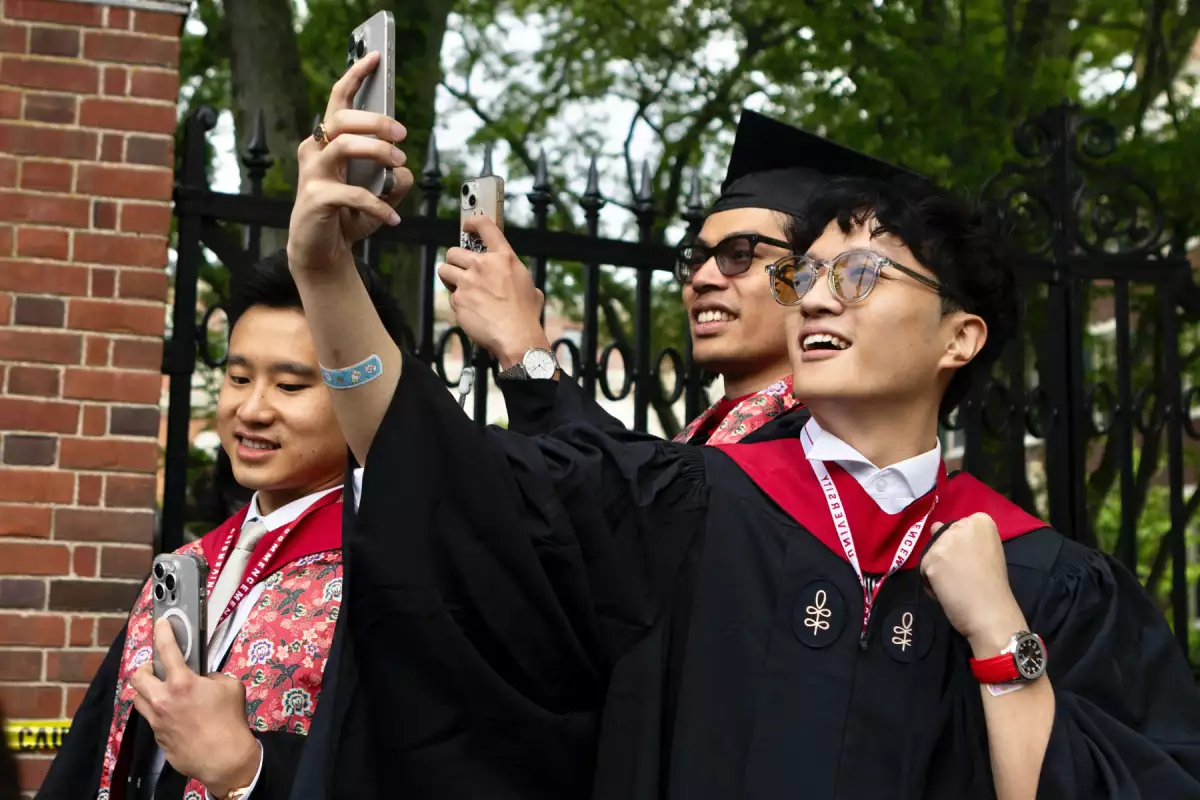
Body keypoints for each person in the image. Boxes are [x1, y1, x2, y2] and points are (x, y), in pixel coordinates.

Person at [289, 53, 1200, 799]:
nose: (814, 300)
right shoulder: (687, 509)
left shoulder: (1050, 581)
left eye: (858, 276)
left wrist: (1000, 632)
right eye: (804, 276)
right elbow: (438, 476)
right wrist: (326, 274)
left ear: (959, 338)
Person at [37, 251, 411, 800]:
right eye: (238, 378)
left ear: (362, 398)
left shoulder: (385, 578)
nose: (251, 409)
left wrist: (248, 771)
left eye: (289, 386)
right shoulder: (192, 563)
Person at [444, 110, 910, 445]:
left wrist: (522, 346)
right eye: (697, 257)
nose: (702, 278)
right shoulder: (704, 436)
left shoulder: (825, 445)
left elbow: (628, 497)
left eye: (740, 254)